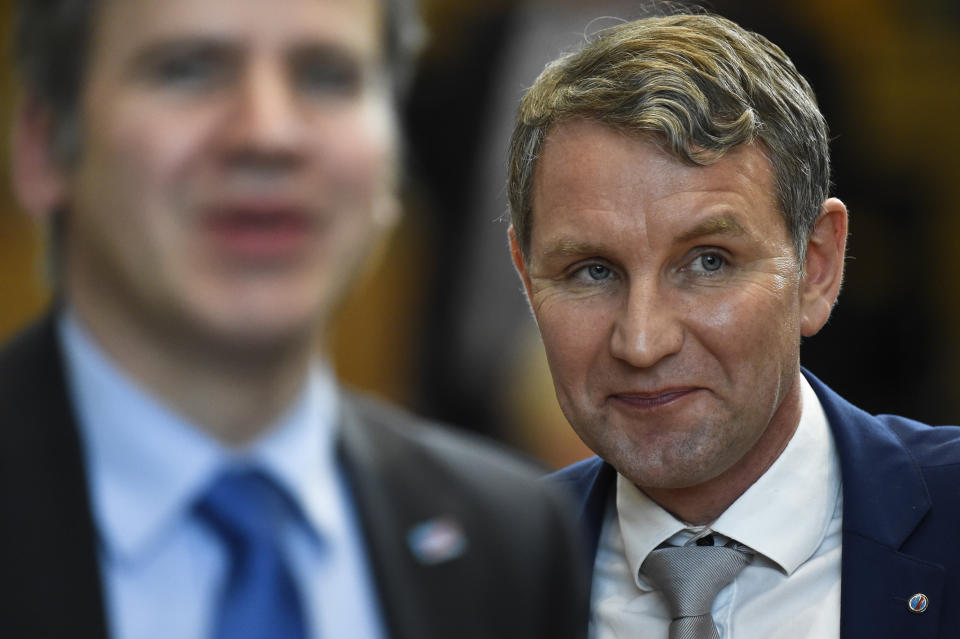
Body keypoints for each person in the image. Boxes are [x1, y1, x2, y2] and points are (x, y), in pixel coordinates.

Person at [0, 0, 590, 638]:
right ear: (42, 145)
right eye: (189, 70)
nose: (269, 134)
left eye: (327, 75)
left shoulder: (514, 542)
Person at [506, 10, 960, 639]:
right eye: (592, 271)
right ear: (527, 280)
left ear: (816, 268)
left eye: (708, 262)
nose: (642, 342)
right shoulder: (473, 577)